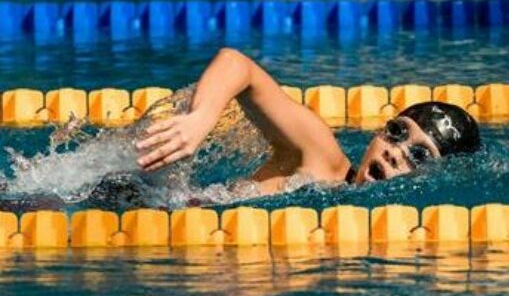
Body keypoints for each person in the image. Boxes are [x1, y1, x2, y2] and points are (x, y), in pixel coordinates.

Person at [136, 48, 481, 194]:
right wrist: (200, 118)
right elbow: (237, 64)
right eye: (397, 132)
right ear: (379, 131)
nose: (396, 152)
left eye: (419, 155)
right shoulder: (321, 158)